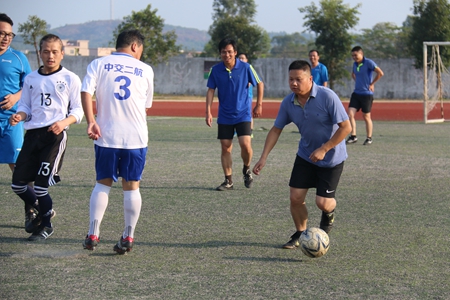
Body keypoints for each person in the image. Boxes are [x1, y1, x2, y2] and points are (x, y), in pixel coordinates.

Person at [252, 60, 351, 249]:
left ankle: (329, 214)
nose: (294, 83)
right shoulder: (288, 102)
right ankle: (300, 233)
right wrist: (263, 157)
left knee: (323, 203)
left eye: (298, 79)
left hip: (332, 158)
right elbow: (276, 130)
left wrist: (324, 148)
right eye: (291, 79)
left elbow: (346, 127)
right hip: (306, 156)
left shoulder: (328, 97)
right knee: (295, 197)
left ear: (310, 79)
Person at [81, 29, 154, 254]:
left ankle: (94, 233)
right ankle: (129, 237)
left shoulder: (99, 64)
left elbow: (85, 91)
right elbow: (146, 105)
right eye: (141, 49)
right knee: (131, 187)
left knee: (103, 182)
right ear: (134, 46)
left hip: (107, 135)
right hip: (136, 137)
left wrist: (91, 121)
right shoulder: (145, 69)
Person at [9, 34, 83, 241]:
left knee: (41, 186)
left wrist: (63, 123)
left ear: (62, 54)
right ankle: (45, 211)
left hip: (54, 137)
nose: (50, 56)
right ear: (39, 53)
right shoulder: (31, 79)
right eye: (46, 51)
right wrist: (19, 115)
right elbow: (25, 106)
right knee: (17, 185)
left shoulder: (70, 78)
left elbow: (78, 111)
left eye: (54, 52)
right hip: (32, 136)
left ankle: (47, 226)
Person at [206, 38, 264, 191]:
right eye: (224, 52)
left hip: (243, 114)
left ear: (235, 53)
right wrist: (208, 111)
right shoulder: (215, 70)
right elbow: (211, 90)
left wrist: (259, 104)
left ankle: (246, 169)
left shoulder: (246, 67)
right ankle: (228, 181)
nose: (227, 55)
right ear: (220, 53)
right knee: (226, 147)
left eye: (230, 52)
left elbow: (260, 83)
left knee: (245, 144)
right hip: (224, 115)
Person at [0, 13, 34, 225]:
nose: (6, 38)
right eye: (2, 34)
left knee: (20, 168)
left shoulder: (19, 58)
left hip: (11, 122)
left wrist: (16, 97)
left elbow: (30, 85)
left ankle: (32, 211)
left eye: (9, 35)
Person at [346, 46, 384, 145]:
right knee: (350, 114)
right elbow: (353, 74)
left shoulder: (369, 63)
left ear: (361, 54)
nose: (354, 57)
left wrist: (372, 84)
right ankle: (353, 136)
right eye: (352, 56)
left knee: (366, 116)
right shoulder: (355, 64)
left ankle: (369, 138)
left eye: (356, 55)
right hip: (356, 93)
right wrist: (358, 82)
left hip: (366, 94)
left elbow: (380, 73)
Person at [238, 53, 262, 138]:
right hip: (238, 97)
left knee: (247, 114)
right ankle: (236, 131)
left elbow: (258, 82)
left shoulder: (248, 68)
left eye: (243, 58)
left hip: (247, 96)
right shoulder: (236, 69)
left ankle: (249, 131)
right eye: (239, 58)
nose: (241, 60)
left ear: (246, 60)